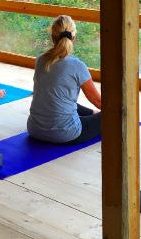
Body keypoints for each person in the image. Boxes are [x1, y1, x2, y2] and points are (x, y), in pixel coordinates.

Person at [27, 15, 101, 144]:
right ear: (74, 37)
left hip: (34, 129)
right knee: (115, 115)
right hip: (65, 134)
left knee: (60, 100)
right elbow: (98, 101)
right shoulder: (77, 65)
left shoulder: (40, 60)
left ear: (52, 37)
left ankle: (92, 113)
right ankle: (94, 114)